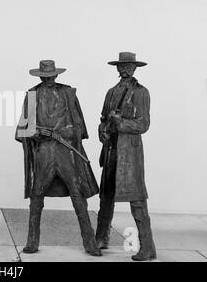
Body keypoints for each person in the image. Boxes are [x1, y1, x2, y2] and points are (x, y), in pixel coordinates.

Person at [15, 60, 101, 256]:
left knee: (78, 195)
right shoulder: (32, 95)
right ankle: (32, 242)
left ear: (56, 75)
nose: (48, 80)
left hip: (65, 151)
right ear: (40, 76)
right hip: (44, 152)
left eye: (51, 76)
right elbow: (23, 130)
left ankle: (90, 242)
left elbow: (79, 127)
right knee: (37, 196)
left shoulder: (68, 94)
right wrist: (39, 133)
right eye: (45, 77)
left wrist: (65, 131)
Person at [96, 52, 156, 261]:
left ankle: (147, 247)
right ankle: (101, 238)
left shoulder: (141, 92)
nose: (125, 70)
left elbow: (143, 124)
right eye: (122, 66)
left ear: (135, 68)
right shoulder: (111, 92)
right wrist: (103, 130)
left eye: (129, 66)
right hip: (111, 150)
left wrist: (120, 123)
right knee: (106, 197)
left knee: (137, 200)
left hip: (129, 155)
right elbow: (103, 118)